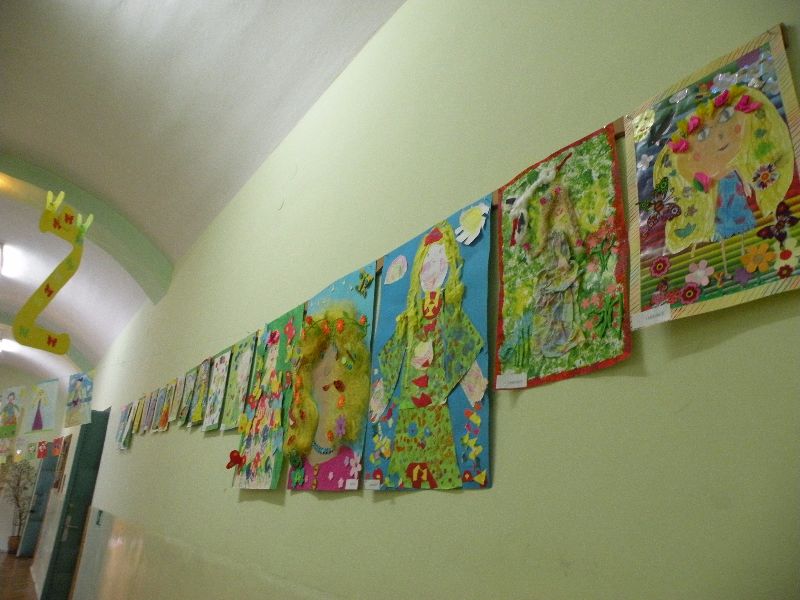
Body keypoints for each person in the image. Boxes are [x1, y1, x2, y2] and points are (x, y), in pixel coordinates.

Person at [377, 222, 484, 489]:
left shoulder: (448, 310)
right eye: (428, 262)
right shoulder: (410, 317)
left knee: (438, 466)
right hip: (408, 408)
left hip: (436, 403)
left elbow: (461, 341)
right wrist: (380, 396)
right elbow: (393, 352)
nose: (434, 270)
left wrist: (474, 384)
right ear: (417, 270)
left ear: (449, 267)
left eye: (441, 261)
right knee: (405, 468)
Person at [655, 84, 794, 274]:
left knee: (742, 226)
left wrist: (747, 184)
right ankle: (730, 261)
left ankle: (749, 254)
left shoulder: (735, 164)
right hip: (722, 202)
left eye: (726, 116)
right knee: (724, 231)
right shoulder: (712, 177)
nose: (719, 136)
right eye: (703, 134)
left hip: (737, 198)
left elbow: (741, 173)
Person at [285, 304, 370, 491]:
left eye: (338, 356)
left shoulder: (350, 462)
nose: (327, 369)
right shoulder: (298, 460)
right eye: (322, 355)